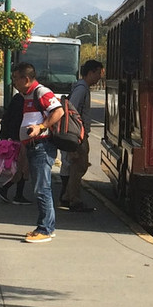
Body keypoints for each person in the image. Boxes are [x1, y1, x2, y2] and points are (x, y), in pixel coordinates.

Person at [14, 62, 64, 243]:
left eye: (16, 78)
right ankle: (46, 226)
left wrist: (41, 127)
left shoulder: (41, 92)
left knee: (42, 188)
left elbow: (58, 111)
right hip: (33, 146)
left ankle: (45, 229)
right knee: (41, 187)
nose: (13, 82)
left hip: (42, 146)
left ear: (26, 79)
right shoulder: (28, 95)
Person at [58, 59, 104, 212]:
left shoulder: (82, 87)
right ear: (90, 72)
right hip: (79, 134)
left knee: (79, 166)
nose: (99, 77)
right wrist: (75, 136)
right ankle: (74, 199)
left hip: (80, 134)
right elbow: (71, 109)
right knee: (78, 167)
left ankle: (67, 196)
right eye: (98, 73)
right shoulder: (81, 89)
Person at [0, 74, 30, 205]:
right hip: (19, 138)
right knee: (22, 167)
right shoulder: (21, 100)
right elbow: (16, 120)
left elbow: (8, 118)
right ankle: (12, 192)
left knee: (21, 167)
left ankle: (13, 192)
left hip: (16, 137)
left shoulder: (17, 99)